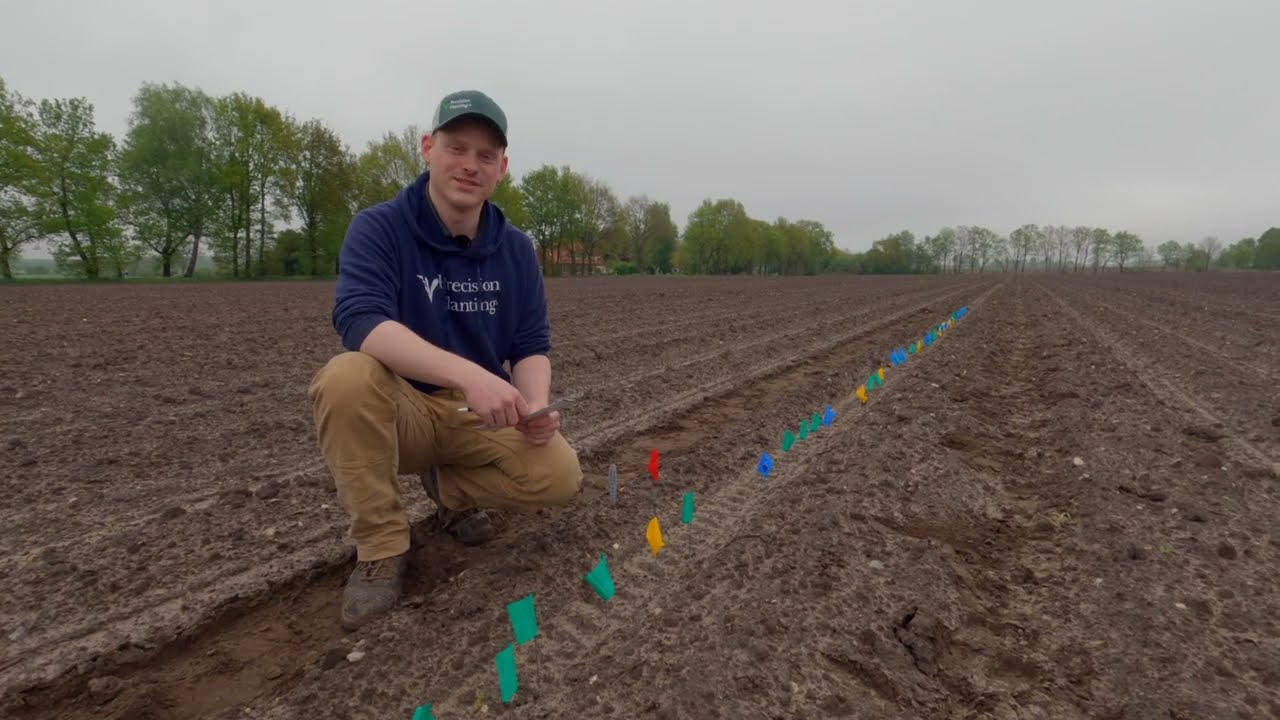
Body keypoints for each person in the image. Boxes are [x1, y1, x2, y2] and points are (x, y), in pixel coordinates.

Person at [307, 90, 583, 630]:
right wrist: (468, 375)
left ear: (502, 168)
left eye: (485, 156)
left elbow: (529, 344)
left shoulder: (517, 250)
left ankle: (449, 490)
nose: (469, 165)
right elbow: (360, 320)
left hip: (473, 418)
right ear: (428, 148)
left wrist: (535, 406)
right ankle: (382, 547)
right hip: (401, 408)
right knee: (344, 379)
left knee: (559, 474)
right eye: (457, 148)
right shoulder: (379, 228)